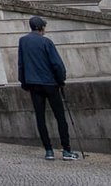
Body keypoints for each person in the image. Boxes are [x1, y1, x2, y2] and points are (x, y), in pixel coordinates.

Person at [18, 16, 81, 160]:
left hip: (33, 84)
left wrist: (24, 82)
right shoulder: (46, 42)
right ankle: (66, 150)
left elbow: (21, 63)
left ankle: (48, 151)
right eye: (44, 27)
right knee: (60, 117)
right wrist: (61, 80)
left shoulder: (23, 41)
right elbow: (57, 64)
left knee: (40, 118)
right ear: (41, 27)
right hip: (50, 84)